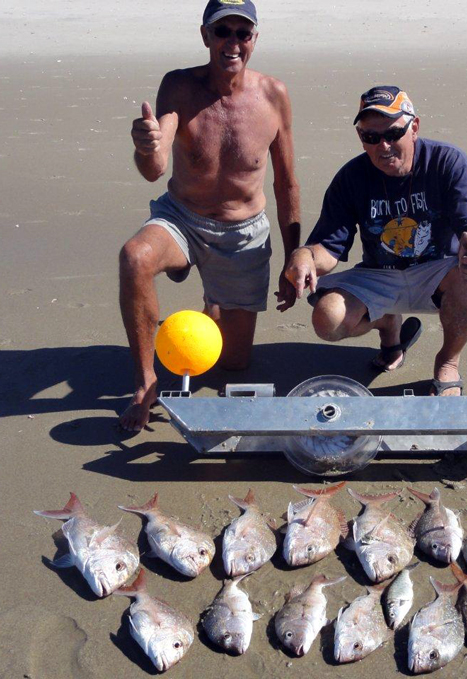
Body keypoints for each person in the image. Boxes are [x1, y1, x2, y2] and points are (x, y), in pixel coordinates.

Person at [119, 0, 300, 431]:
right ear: (205, 36)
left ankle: (211, 306)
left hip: (243, 234)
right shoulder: (179, 86)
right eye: (223, 32)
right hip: (182, 217)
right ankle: (146, 381)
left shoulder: (274, 95)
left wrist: (293, 258)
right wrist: (145, 147)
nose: (232, 42)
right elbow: (154, 169)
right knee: (134, 257)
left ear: (254, 39)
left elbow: (286, 182)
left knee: (232, 362)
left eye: (243, 33)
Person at [284, 86, 467, 396]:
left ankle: (448, 362)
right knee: (327, 318)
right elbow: (328, 249)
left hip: (437, 272)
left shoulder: (447, 162)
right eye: (371, 137)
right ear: (361, 138)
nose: (383, 146)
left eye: (393, 134)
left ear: (414, 128)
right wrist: (303, 257)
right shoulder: (351, 178)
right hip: (378, 274)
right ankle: (387, 324)